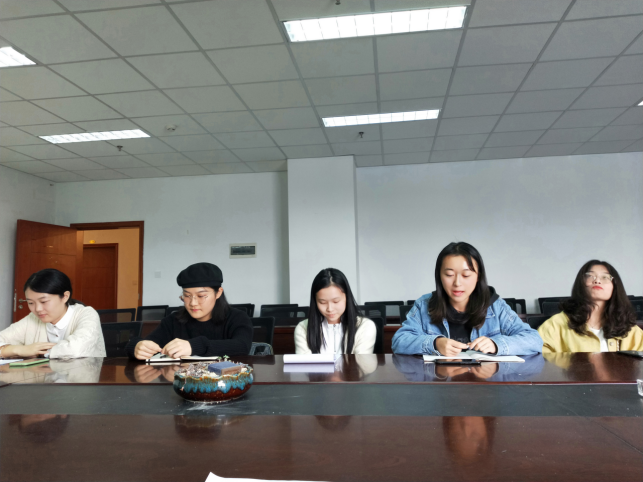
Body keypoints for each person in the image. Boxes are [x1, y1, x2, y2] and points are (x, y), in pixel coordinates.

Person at [392, 242, 542, 356]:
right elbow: (399, 341)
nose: (457, 283)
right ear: (439, 276)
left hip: (485, 383)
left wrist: (496, 345)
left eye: (466, 275)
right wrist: (435, 343)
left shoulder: (496, 306)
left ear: (478, 277)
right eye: (449, 275)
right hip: (440, 382)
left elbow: (534, 340)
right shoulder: (424, 305)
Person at [126, 262, 253, 360]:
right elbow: (148, 343)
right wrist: (136, 346)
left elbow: (242, 345)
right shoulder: (173, 320)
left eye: (201, 296)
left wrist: (194, 346)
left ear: (218, 293)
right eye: (187, 295)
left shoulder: (237, 318)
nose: (193, 303)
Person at [538, 260, 643, 353]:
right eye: (590, 276)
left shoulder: (629, 328)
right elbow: (539, 360)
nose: (597, 281)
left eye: (605, 277)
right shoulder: (556, 324)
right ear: (580, 284)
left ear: (615, 286)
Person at [0, 269, 105, 358]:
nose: (37, 309)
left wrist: (37, 352)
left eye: (43, 301)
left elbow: (77, 349)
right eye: (31, 303)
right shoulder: (33, 319)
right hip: (41, 376)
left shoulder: (87, 314)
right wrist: (20, 350)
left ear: (65, 297)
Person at [294, 268, 376, 354]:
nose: (330, 309)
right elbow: (305, 362)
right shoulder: (303, 329)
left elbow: (360, 362)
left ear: (347, 298)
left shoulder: (364, 326)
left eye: (336, 301)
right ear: (315, 301)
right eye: (322, 302)